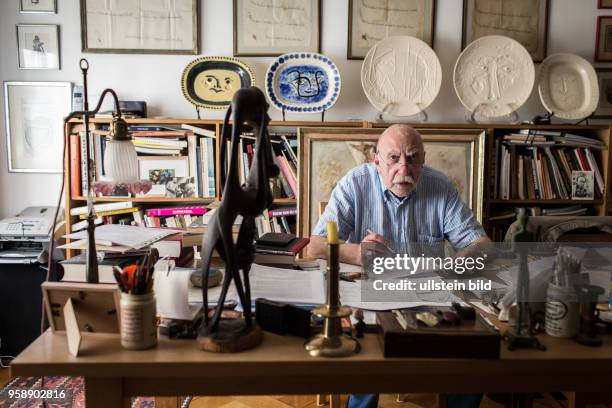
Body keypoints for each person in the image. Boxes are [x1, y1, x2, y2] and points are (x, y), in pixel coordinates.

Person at [306, 124, 491, 408]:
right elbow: (314, 247)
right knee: (368, 357)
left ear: (423, 160)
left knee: (472, 357)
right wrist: (359, 253)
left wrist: (449, 269)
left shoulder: (440, 187)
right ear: (376, 161)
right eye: (393, 158)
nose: (403, 168)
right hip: (371, 294)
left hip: (427, 293)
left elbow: (481, 245)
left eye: (413, 158)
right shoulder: (354, 184)